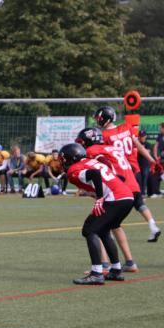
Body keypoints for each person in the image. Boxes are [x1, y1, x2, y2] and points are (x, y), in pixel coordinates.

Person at [61, 143, 133, 285]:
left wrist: (100, 197)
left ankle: (96, 273)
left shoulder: (75, 169)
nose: (62, 161)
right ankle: (116, 270)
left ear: (71, 158)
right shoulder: (93, 161)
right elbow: (119, 178)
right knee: (103, 230)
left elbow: (95, 174)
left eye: (64, 158)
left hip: (115, 198)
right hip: (127, 197)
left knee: (89, 229)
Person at [76, 127, 141, 273]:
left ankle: (104, 265)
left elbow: (104, 163)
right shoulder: (111, 148)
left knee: (96, 226)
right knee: (114, 225)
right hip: (130, 187)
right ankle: (129, 262)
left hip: (117, 189)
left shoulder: (92, 150)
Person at [94, 106, 160, 242]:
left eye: (99, 118)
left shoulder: (104, 136)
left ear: (106, 119)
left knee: (110, 203)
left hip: (119, 173)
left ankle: (108, 232)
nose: (97, 121)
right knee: (138, 202)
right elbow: (139, 146)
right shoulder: (126, 128)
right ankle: (153, 226)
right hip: (133, 170)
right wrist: (152, 160)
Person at [137, 130, 150, 196]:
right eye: (141, 136)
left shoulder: (147, 144)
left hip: (145, 164)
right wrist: (142, 150)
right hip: (137, 164)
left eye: (143, 136)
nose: (142, 137)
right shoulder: (137, 143)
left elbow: (147, 152)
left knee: (144, 178)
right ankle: (139, 192)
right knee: (138, 178)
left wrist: (140, 150)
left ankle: (143, 192)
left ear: (145, 136)